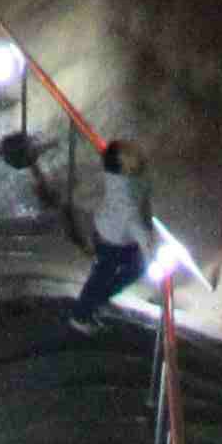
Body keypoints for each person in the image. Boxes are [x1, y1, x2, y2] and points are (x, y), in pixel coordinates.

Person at [69, 133, 153, 328]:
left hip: (111, 233)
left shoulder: (121, 176)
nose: (137, 149)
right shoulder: (126, 196)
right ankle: (80, 316)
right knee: (106, 276)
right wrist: (151, 252)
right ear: (124, 166)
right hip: (112, 241)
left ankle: (97, 301)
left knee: (108, 275)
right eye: (130, 152)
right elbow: (136, 224)